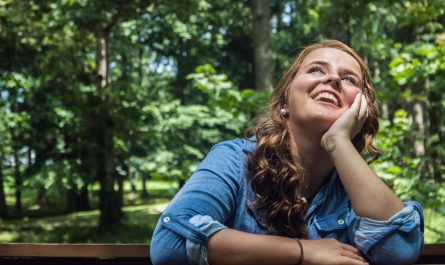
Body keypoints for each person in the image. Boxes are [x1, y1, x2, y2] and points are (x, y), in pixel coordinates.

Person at [150, 40, 424, 265]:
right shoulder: (234, 159)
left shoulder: (357, 192)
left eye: (348, 78)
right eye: (317, 70)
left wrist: (338, 140)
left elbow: (398, 252)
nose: (332, 79)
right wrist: (303, 251)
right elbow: (170, 244)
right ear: (285, 101)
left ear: (361, 110)